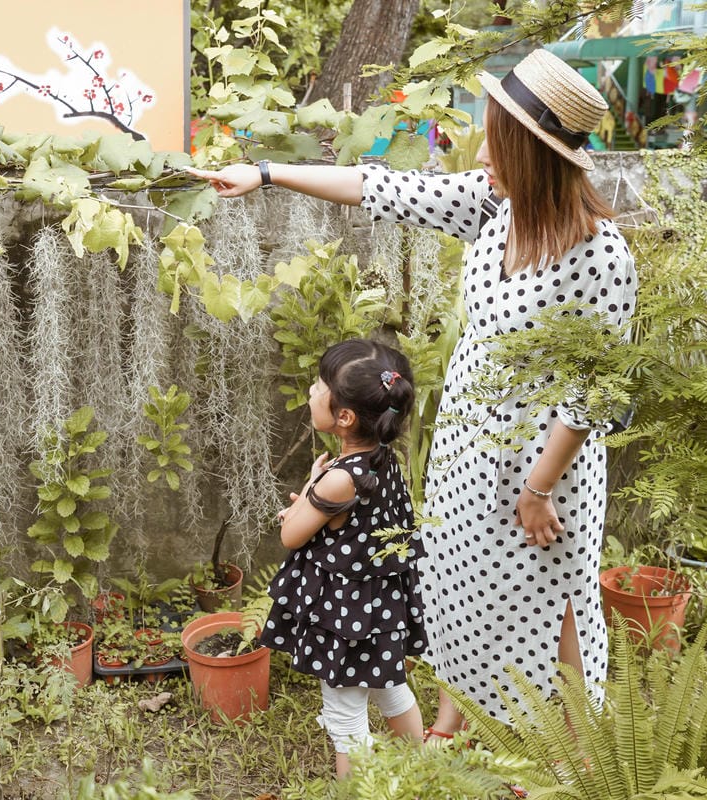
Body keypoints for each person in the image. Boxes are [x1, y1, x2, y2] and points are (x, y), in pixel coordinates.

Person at [189, 48, 637, 740]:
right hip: (467, 449)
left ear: (535, 152)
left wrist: (540, 488)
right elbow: (379, 188)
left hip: (545, 467)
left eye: (498, 135)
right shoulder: (495, 208)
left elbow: (596, 393)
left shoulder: (601, 255)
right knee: (463, 591)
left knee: (557, 605)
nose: (483, 146)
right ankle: (450, 728)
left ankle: (577, 760)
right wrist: (267, 173)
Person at [261, 338, 427, 777]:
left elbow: (291, 537)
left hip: (345, 618)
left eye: (319, 386)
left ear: (345, 416)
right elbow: (353, 529)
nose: (313, 391)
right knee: (392, 690)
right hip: (380, 609)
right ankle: (423, 773)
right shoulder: (382, 460)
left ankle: (353, 790)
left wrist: (311, 490)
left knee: (345, 715)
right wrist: (314, 499)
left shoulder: (339, 479)